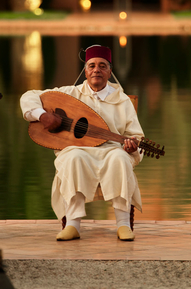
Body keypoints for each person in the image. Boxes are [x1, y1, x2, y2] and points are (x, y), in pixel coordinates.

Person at [20, 44, 144, 241]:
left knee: (120, 158)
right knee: (73, 158)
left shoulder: (122, 100)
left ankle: (123, 224)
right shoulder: (70, 94)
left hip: (112, 149)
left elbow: (136, 136)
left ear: (110, 71)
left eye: (102, 66)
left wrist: (132, 146)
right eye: (92, 65)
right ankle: (72, 224)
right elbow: (28, 96)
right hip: (76, 148)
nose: (97, 70)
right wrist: (42, 115)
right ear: (85, 71)